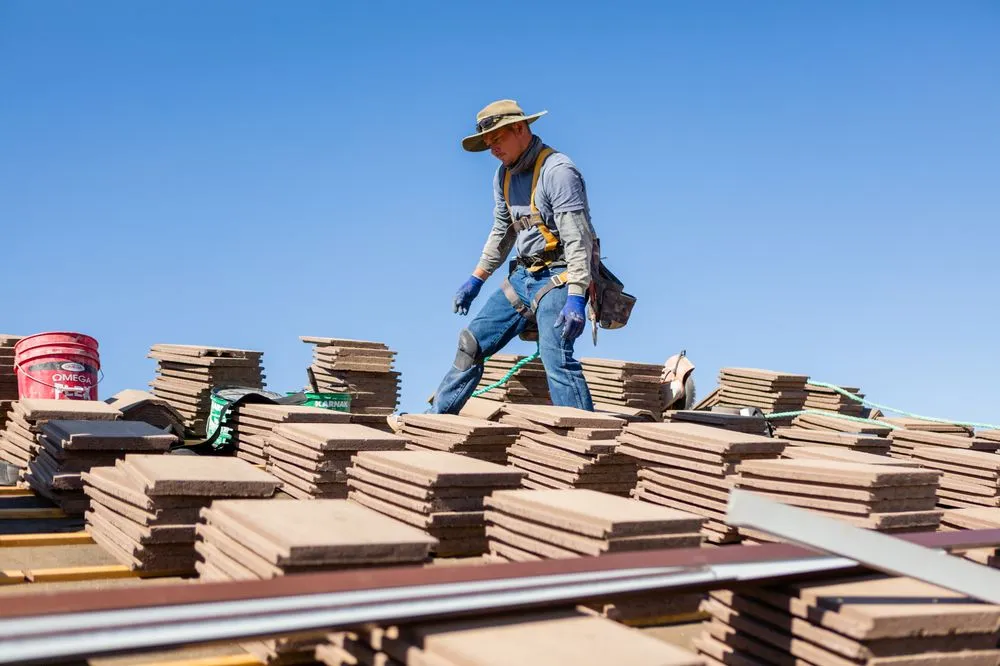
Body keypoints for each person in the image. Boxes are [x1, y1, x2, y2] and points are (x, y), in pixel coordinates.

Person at [430, 99, 597, 414]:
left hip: (560, 276)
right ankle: (433, 421)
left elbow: (578, 240)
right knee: (471, 344)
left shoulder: (558, 172)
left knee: (556, 356)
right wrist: (476, 279)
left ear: (520, 128)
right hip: (524, 277)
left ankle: (584, 444)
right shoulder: (502, 176)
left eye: (497, 139)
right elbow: (503, 231)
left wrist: (576, 296)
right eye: (488, 143)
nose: (492, 148)